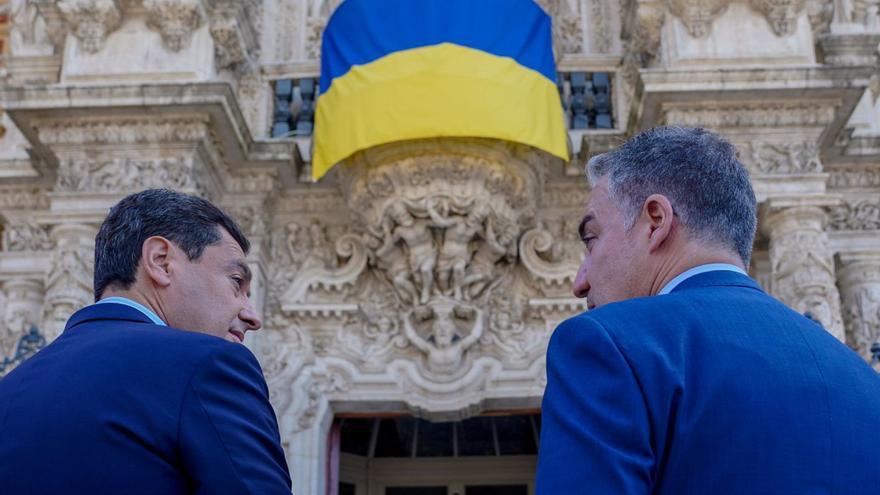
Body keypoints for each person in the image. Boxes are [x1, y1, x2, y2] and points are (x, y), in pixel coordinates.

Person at [535, 127, 880, 494]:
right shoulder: (866, 384)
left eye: (592, 239)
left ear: (655, 221)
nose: (579, 282)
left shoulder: (609, 346)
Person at [0, 189, 292, 494]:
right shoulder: (208, 365)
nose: (252, 315)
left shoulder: (9, 390)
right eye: (236, 282)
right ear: (160, 261)